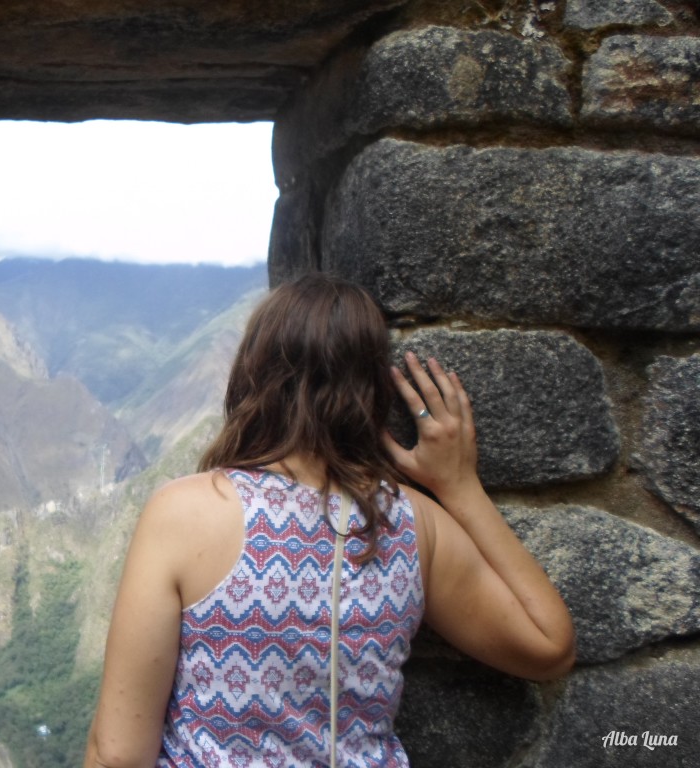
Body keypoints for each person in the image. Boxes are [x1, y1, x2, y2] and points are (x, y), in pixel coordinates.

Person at [83, 272, 575, 768]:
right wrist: (460, 487)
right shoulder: (412, 525)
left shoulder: (185, 513)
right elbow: (548, 647)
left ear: (251, 374)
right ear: (372, 391)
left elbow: (118, 754)